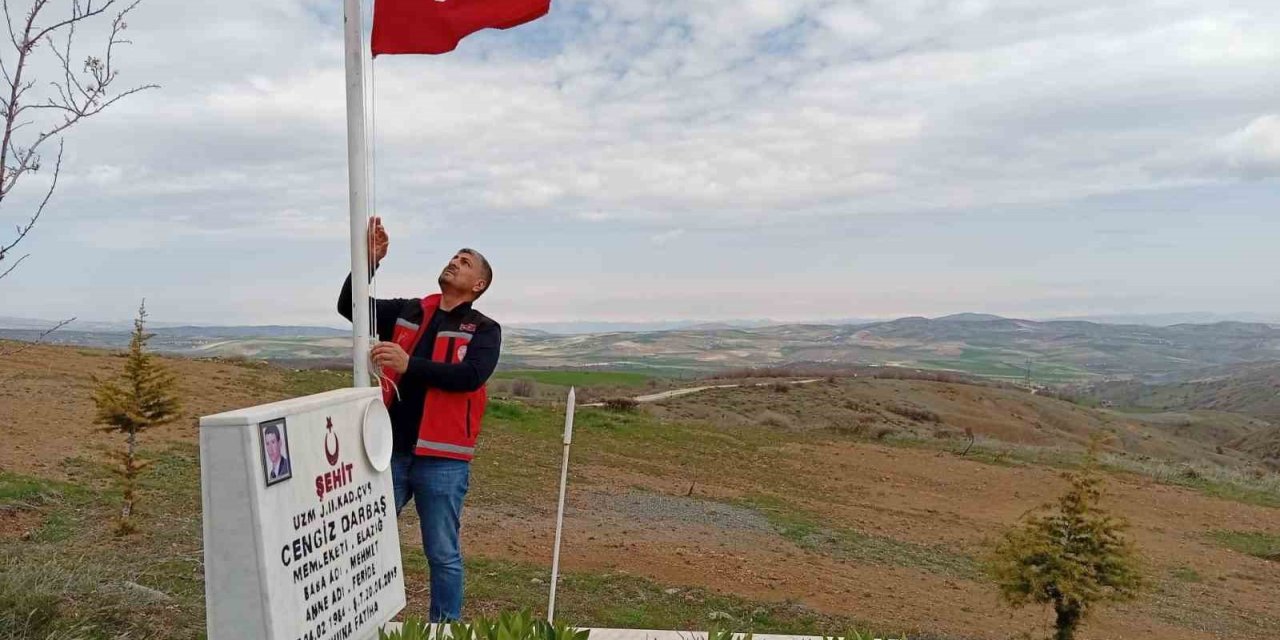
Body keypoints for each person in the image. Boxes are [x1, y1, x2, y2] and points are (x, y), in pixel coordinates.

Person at [337, 217, 501, 622]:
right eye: (454, 256)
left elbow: (470, 377)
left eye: (465, 261)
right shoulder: (411, 310)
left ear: (478, 284)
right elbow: (350, 307)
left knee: (442, 553)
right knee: (366, 540)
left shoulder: (484, 329)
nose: (454, 262)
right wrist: (367, 263)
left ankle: (444, 629)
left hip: (443, 459)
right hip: (388, 451)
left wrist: (409, 364)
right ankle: (365, 621)